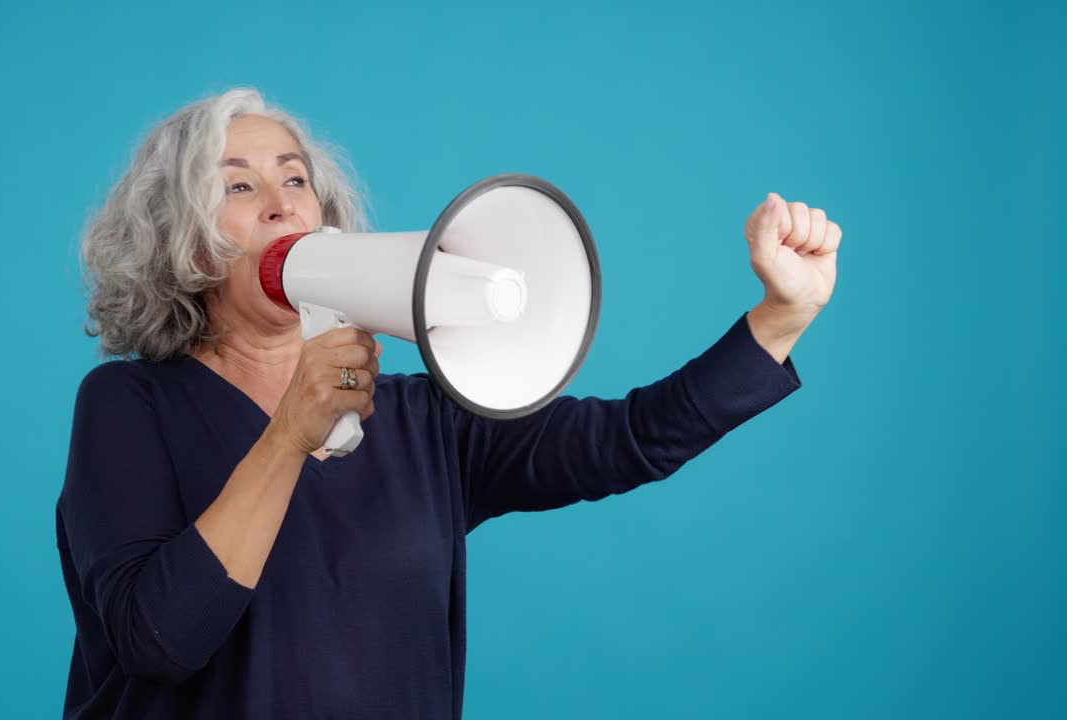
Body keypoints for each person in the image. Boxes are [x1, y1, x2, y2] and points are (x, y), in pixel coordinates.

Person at [55, 87, 842, 719]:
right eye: (237, 185)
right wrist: (288, 437)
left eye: (296, 179)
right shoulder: (128, 406)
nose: (280, 203)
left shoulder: (425, 421)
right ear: (186, 243)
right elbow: (156, 640)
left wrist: (778, 320)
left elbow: (631, 438)